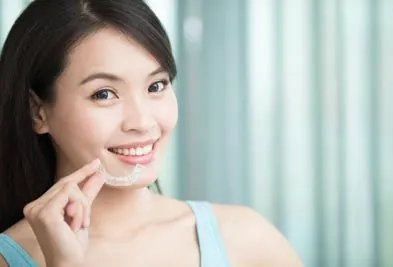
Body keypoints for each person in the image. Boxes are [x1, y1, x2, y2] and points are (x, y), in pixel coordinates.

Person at [0, 0, 303, 266]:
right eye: (104, 94)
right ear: (37, 112)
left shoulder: (247, 240)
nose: (143, 122)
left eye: (156, 86)